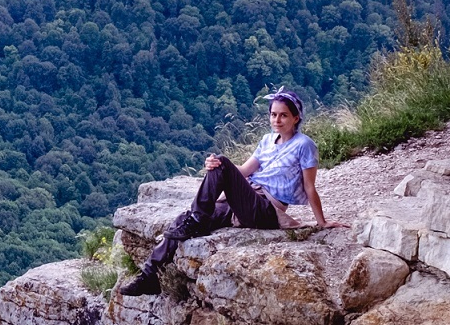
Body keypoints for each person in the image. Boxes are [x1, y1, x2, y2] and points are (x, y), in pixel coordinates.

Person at [117, 90, 346, 297]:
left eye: (283, 115)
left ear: (296, 118)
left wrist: (321, 222)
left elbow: (309, 186)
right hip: (248, 199)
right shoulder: (267, 140)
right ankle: (149, 275)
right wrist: (214, 165)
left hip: (266, 209)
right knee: (183, 218)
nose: (277, 120)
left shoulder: (304, 145)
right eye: (273, 114)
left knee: (218, 175)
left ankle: (198, 218)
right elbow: (245, 171)